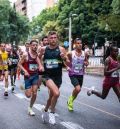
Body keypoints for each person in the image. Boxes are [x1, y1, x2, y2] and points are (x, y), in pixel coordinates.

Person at [39, 31, 67, 125]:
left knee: (52, 96)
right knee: (57, 93)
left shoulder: (61, 49)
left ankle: (45, 110)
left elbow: (67, 63)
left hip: (58, 77)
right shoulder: (43, 49)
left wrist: (64, 58)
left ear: (57, 38)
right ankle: (52, 113)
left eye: (55, 37)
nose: (53, 39)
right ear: (48, 39)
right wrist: (40, 65)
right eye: (51, 38)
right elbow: (38, 58)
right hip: (47, 76)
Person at [18, 40, 43, 116]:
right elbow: (19, 64)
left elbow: (39, 64)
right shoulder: (26, 55)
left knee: (35, 93)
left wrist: (41, 67)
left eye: (36, 45)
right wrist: (25, 71)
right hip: (28, 76)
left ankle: (30, 108)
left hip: (35, 75)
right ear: (30, 46)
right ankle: (25, 88)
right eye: (33, 45)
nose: (35, 46)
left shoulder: (37, 55)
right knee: (28, 95)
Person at [67, 38, 89, 111]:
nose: (80, 44)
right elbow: (65, 60)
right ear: (75, 44)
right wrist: (67, 66)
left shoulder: (84, 53)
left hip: (80, 74)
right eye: (78, 43)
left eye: (80, 43)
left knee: (78, 90)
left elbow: (86, 62)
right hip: (72, 74)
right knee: (78, 88)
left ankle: (70, 100)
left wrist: (86, 63)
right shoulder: (70, 53)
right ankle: (70, 102)